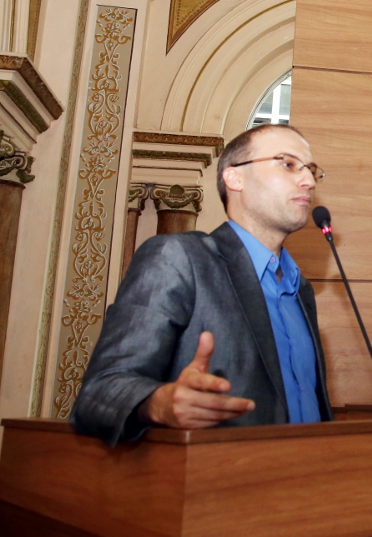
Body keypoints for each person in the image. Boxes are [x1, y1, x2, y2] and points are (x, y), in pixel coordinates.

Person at [71, 124, 333, 445]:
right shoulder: (179, 258)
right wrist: (158, 402)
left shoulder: (300, 289)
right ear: (234, 177)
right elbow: (100, 392)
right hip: (213, 485)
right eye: (288, 164)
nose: (307, 181)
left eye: (311, 170)